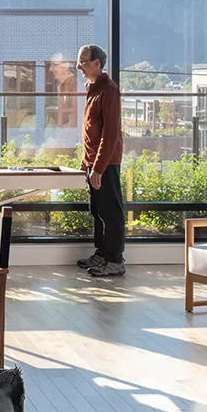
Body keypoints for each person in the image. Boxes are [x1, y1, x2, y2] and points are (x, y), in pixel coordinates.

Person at [74, 44, 125, 278]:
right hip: (93, 163)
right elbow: (90, 131)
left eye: (83, 61)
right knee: (97, 210)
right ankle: (102, 253)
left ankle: (115, 260)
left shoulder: (109, 90)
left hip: (106, 165)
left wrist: (99, 168)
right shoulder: (91, 88)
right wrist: (87, 163)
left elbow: (110, 134)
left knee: (111, 212)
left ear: (97, 63)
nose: (78, 66)